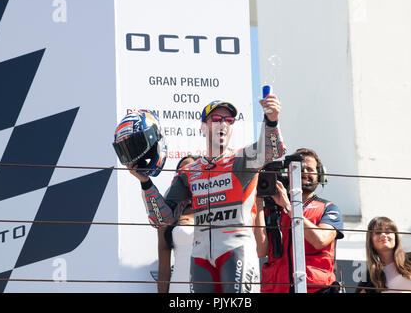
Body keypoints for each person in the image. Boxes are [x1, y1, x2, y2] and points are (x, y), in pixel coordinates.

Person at [129, 95, 285, 293]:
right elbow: (163, 218)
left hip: (236, 250)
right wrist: (145, 183)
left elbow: (272, 150)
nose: (223, 124)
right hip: (200, 255)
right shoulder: (189, 172)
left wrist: (272, 121)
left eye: (228, 121)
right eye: (216, 119)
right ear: (203, 127)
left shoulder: (242, 160)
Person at [258, 148, 344, 293]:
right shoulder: (272, 209)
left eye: (309, 169)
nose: (304, 173)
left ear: (320, 175)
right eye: (299, 169)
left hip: (316, 290)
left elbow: (320, 240)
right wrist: (259, 201)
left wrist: (288, 207)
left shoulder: (328, 208)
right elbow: (260, 251)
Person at [356, 216, 411, 293]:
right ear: (371, 241)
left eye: (388, 231)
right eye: (378, 232)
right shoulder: (371, 275)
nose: (383, 235)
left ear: (395, 237)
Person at [157, 155, 198, 293]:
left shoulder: (216, 206)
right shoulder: (167, 213)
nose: (185, 175)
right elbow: (163, 268)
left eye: (190, 170)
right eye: (181, 172)